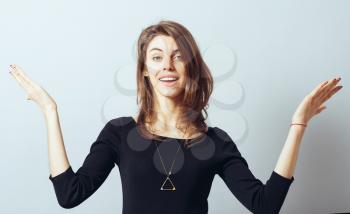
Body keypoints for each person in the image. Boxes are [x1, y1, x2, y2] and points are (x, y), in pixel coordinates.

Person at [9, 20, 343, 214]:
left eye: (177, 56)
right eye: (156, 57)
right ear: (145, 72)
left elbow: (264, 205)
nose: (167, 65)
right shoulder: (119, 133)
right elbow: (69, 195)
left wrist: (299, 125)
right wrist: (49, 112)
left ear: (190, 68)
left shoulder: (216, 142)